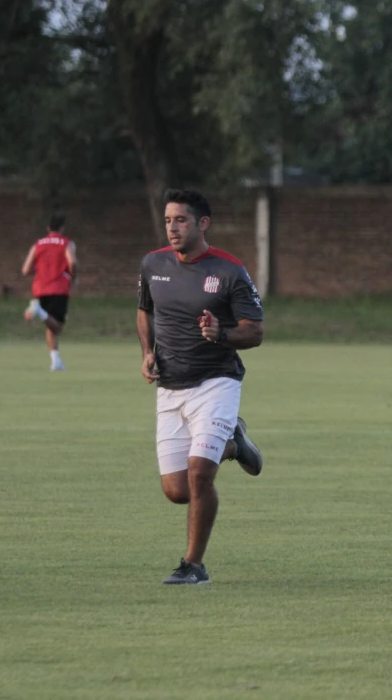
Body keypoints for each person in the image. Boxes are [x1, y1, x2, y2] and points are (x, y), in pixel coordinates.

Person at [137, 189, 266, 585]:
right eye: (168, 221)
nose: (173, 228)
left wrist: (220, 334)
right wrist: (147, 352)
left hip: (216, 382)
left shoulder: (229, 270)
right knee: (176, 490)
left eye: (181, 220)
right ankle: (234, 442)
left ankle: (193, 565)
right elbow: (145, 312)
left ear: (202, 223)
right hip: (171, 386)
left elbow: (255, 332)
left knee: (198, 475)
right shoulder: (153, 264)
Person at [21, 213, 77, 371]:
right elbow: (72, 262)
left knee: (49, 325)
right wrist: (73, 276)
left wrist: (39, 270)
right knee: (57, 327)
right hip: (58, 288)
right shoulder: (66, 243)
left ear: (48, 228)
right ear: (62, 227)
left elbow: (25, 269)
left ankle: (56, 361)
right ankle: (39, 311)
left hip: (39, 288)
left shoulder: (38, 244)